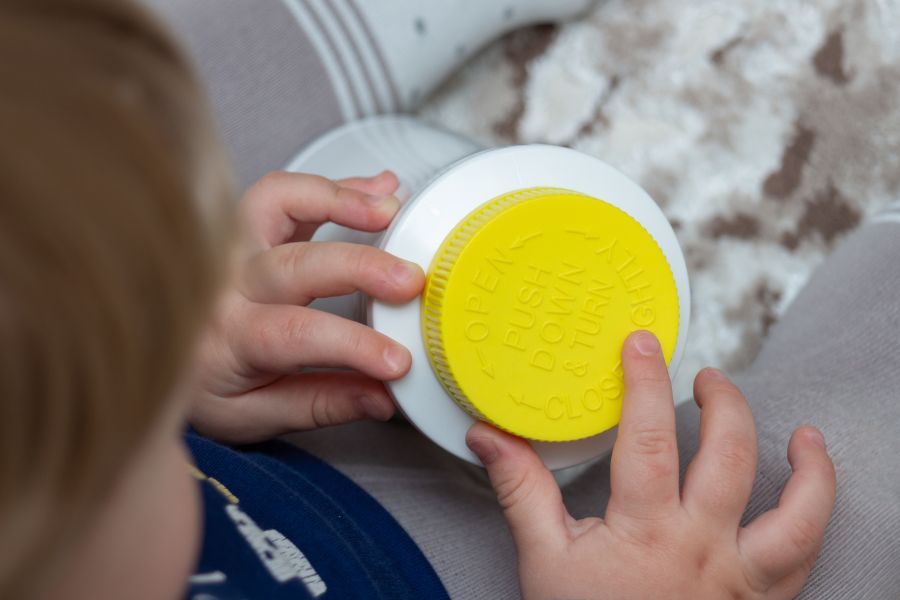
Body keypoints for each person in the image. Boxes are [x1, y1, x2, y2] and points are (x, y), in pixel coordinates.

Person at [1, 1, 897, 599]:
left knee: (99, 100)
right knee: (826, 492)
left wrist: (182, 355)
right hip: (434, 571)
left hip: (268, 424)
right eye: (133, 437)